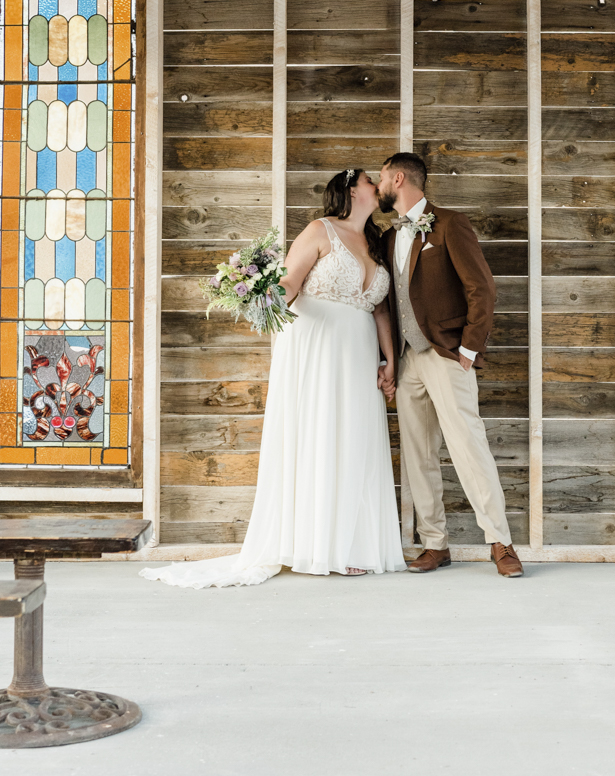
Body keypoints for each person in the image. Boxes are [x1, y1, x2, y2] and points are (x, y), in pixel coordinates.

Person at [141, 169, 405, 587]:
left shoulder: (375, 243)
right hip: (316, 346)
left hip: (358, 353)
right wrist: (254, 291)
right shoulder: (320, 231)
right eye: (372, 180)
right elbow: (289, 283)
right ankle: (317, 544)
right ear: (353, 190)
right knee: (318, 434)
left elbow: (380, 310)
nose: (379, 185)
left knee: (354, 438)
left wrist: (390, 361)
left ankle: (352, 543)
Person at [376, 152, 523, 578]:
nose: (380, 184)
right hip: (407, 361)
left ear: (398, 178)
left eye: (383, 177)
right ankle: (435, 544)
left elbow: (482, 289)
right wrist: (387, 360)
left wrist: (469, 349)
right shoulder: (389, 237)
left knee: (468, 447)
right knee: (418, 454)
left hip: (446, 355)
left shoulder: (449, 224)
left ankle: (500, 541)